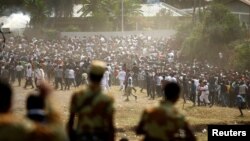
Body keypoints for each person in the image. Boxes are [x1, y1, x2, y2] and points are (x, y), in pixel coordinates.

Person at [67, 60, 115, 141]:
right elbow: (110, 125)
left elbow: (71, 121)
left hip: (81, 135)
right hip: (100, 136)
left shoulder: (78, 95)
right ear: (102, 76)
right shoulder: (107, 98)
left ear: (89, 75)